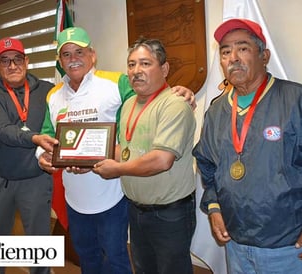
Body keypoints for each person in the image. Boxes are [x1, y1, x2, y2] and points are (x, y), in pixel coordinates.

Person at [192, 18, 302, 274]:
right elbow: (208, 165)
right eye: (225, 51)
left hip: (290, 247)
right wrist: (214, 207)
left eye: (243, 48)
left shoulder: (298, 100)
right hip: (236, 245)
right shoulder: (217, 111)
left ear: (264, 55)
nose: (233, 57)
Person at [34, 27, 195, 274]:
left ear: (92, 55)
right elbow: (48, 138)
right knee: (87, 258)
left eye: (79, 51)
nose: (73, 58)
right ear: (59, 60)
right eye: (66, 54)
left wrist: (181, 91)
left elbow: (151, 94)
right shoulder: (53, 95)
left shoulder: (117, 82)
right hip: (75, 196)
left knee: (117, 257)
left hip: (113, 193)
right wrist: (43, 157)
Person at [93, 38, 196, 274]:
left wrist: (116, 170)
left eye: (145, 64)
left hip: (170, 213)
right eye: (131, 65)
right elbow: (126, 152)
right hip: (137, 210)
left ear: (164, 69)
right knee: (144, 269)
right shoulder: (129, 103)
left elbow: (162, 160)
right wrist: (86, 156)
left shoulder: (174, 105)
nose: (136, 71)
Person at [0, 37, 56, 274]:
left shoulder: (47, 90)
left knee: (39, 246)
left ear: (27, 61)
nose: (12, 66)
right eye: (5, 60)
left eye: (17, 59)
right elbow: (2, 130)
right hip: (0, 180)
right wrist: (34, 138)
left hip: (36, 179)